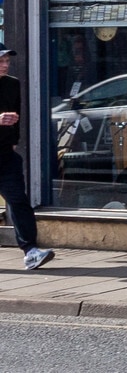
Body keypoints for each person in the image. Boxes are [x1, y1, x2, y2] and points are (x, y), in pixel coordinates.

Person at [0, 46, 55, 270]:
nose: (5, 65)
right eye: (1, 61)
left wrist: (13, 141)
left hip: (5, 154)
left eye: (7, 61)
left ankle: (31, 251)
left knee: (19, 201)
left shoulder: (12, 84)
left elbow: (17, 115)